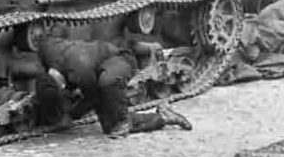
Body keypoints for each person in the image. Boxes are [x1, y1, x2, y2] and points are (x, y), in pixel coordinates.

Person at [35, 24, 191, 138]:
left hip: (117, 58)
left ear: (62, 86)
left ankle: (131, 120)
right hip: (94, 56)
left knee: (108, 86)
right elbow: (59, 29)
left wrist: (71, 115)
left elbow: (92, 98)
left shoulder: (80, 73)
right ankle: (160, 117)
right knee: (108, 120)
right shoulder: (47, 49)